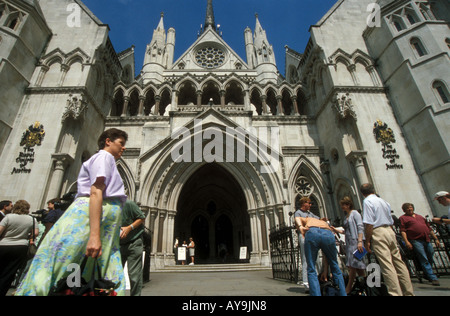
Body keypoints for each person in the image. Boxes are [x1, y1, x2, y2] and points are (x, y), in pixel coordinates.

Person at [16, 128, 128, 296]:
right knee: (66, 259)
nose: (124, 148)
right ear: (108, 141)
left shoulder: (107, 159)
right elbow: (96, 191)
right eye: (121, 143)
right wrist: (95, 236)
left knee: (77, 262)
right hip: (86, 220)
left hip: (100, 224)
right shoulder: (104, 157)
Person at [360, 183, 414, 296]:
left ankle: (395, 293)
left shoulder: (367, 201)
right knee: (399, 263)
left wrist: (368, 241)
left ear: (362, 193)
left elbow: (369, 224)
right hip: (390, 231)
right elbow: (390, 220)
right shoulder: (384, 202)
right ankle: (408, 293)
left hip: (378, 232)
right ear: (373, 190)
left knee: (387, 265)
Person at [296, 216, 347, 296]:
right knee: (335, 266)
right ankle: (343, 294)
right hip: (327, 233)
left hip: (312, 232)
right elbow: (325, 255)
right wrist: (325, 271)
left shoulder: (308, 219)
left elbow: (297, 218)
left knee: (311, 268)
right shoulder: (322, 222)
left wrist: (300, 227)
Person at [0, 200, 38, 296]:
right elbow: (36, 233)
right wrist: (28, 236)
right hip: (21, 247)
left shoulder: (9, 217)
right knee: (10, 272)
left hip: (4, 245)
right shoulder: (32, 219)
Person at [399, 202, 440, 286]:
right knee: (423, 257)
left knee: (430, 253)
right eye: (407, 208)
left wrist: (436, 238)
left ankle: (427, 272)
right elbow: (403, 231)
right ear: (404, 210)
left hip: (426, 239)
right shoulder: (403, 218)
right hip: (415, 240)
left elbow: (429, 228)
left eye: (410, 207)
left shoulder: (420, 217)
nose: (409, 209)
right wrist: (406, 242)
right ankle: (432, 277)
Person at [333, 197, 366, 294]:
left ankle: (348, 288)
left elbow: (360, 227)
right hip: (349, 243)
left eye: (343, 205)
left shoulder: (355, 213)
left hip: (356, 242)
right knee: (359, 268)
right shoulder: (346, 216)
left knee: (352, 266)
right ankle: (364, 288)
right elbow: (346, 231)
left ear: (348, 205)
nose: (342, 207)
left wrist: (360, 241)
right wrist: (335, 230)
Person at [294, 197, 320, 291]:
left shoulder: (310, 213)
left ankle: (316, 280)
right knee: (306, 259)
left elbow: (317, 219)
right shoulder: (298, 213)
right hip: (304, 236)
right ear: (303, 203)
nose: (310, 205)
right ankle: (306, 284)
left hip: (313, 236)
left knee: (316, 259)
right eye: (309, 203)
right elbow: (298, 223)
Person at [120, 200, 145, 296]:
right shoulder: (108, 205)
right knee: (115, 275)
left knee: (134, 276)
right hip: (118, 245)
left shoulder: (128, 204)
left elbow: (142, 217)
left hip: (133, 242)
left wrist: (129, 227)